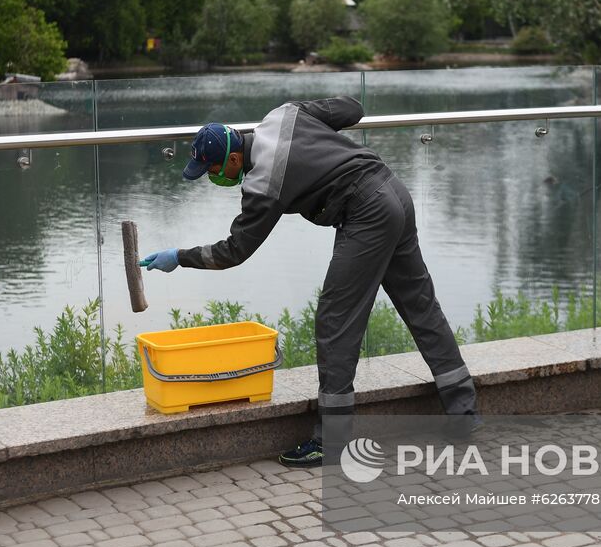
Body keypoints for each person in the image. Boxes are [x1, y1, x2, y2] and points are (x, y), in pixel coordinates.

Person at [139, 97, 479, 466]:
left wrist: (180, 257)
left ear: (234, 159)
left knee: (335, 322)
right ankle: (464, 413)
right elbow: (353, 109)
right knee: (420, 303)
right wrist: (316, 140)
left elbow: (233, 251)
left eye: (212, 170)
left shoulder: (262, 183)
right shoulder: (283, 114)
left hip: (367, 212)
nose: (213, 178)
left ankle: (330, 442)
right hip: (393, 189)